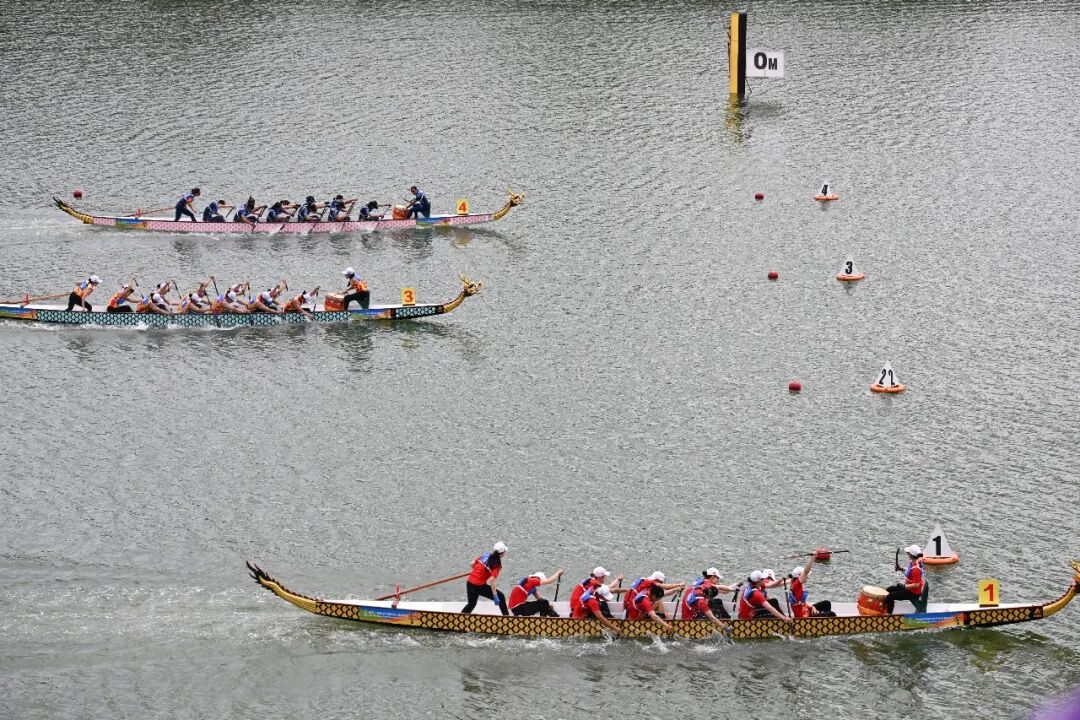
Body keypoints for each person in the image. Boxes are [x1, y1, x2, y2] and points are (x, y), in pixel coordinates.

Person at [461, 541, 509, 615]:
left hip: (469, 583)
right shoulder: (497, 564)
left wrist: (476, 571)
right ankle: (507, 619)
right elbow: (492, 581)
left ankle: (460, 617)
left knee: (471, 604)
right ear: (502, 553)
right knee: (501, 597)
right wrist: (495, 596)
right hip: (478, 586)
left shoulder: (486, 554)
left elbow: (472, 563)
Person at [886, 545, 927, 614]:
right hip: (909, 588)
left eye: (908, 553)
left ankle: (889, 615)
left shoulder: (916, 569)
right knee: (889, 589)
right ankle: (887, 607)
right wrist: (900, 569)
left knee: (890, 597)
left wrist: (904, 586)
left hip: (913, 593)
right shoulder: (913, 562)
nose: (907, 553)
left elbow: (916, 585)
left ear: (910, 555)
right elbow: (909, 573)